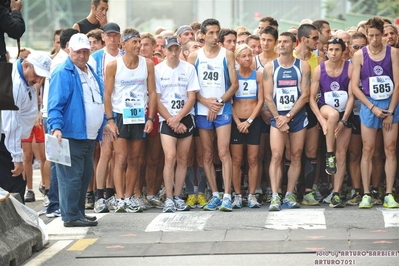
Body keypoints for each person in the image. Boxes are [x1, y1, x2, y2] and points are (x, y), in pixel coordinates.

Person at [48, 33, 111, 227]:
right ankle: (70, 216)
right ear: (69, 50)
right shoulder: (62, 72)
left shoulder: (89, 71)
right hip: (70, 134)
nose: (82, 55)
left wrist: (104, 123)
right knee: (71, 178)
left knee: (83, 177)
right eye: (78, 52)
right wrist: (56, 127)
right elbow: (55, 104)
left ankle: (78, 212)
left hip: (88, 135)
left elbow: (96, 101)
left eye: (85, 51)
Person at [188, 18, 238, 212]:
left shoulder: (227, 54)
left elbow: (234, 84)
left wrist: (218, 103)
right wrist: (205, 101)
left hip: (222, 109)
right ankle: (215, 194)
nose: (215, 36)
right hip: (202, 110)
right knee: (207, 154)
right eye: (210, 33)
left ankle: (227, 195)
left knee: (224, 152)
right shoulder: (194, 56)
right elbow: (191, 88)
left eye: (217, 32)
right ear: (202, 35)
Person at [104, 28, 156, 213]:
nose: (138, 45)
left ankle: (130, 197)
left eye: (139, 42)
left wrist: (151, 117)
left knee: (135, 160)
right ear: (123, 44)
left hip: (139, 115)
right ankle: (119, 198)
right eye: (134, 42)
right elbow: (107, 94)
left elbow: (153, 93)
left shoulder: (147, 64)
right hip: (120, 115)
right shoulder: (113, 65)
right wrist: (110, 120)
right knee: (120, 158)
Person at [351, 17, 399, 209]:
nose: (375, 40)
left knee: (390, 149)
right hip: (369, 104)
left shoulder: (393, 53)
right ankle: (366, 193)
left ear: (382, 35)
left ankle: (388, 193)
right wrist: (372, 107)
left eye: (378, 36)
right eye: (371, 36)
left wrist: (390, 111)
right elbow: (354, 87)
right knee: (368, 149)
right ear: (367, 35)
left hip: (390, 105)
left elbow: (397, 84)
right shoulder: (360, 56)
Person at [264, 32, 311, 211]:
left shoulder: (303, 66)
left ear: (294, 44)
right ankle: (275, 195)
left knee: (296, 155)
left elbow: (305, 94)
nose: (282, 45)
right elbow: (268, 97)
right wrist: (279, 118)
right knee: (276, 155)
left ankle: (290, 193)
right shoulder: (270, 67)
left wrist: (289, 116)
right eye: (280, 42)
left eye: (286, 42)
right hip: (278, 117)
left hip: (296, 116)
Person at [155, 36, 199, 212]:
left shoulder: (188, 68)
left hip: (185, 118)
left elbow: (192, 97)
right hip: (166, 119)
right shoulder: (158, 70)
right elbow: (156, 100)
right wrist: (171, 121)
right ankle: (168, 197)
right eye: (170, 49)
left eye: (176, 49)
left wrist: (179, 118)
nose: (173, 53)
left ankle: (178, 195)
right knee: (170, 157)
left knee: (183, 159)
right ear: (164, 51)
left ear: (180, 50)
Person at [309, 38, 354, 208]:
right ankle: (329, 153)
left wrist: (344, 120)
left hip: (345, 114)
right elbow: (311, 99)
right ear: (326, 50)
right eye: (331, 49)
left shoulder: (349, 68)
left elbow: (351, 97)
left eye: (337, 50)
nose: (333, 53)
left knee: (341, 154)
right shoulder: (319, 69)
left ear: (343, 51)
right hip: (326, 110)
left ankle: (336, 192)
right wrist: (321, 119)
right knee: (333, 115)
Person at [1, 52, 51, 203]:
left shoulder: (26, 79)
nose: (38, 79)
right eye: (37, 74)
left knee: (15, 185)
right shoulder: (15, 85)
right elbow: (11, 125)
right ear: (26, 65)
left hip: (11, 139)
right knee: (14, 184)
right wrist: (16, 158)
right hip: (6, 140)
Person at [42, 28, 79, 218]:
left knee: (60, 162)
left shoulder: (64, 61)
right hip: (55, 116)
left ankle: (56, 203)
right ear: (68, 45)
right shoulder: (61, 63)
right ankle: (55, 204)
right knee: (58, 162)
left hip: (55, 115)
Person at [230, 44, 263, 209]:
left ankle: (251, 195)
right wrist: (238, 122)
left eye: (250, 55)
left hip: (252, 121)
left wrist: (249, 120)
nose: (247, 59)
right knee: (236, 160)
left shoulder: (258, 76)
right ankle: (237, 194)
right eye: (243, 56)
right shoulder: (233, 76)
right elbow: (229, 101)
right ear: (237, 59)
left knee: (253, 159)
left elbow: (261, 101)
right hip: (237, 122)